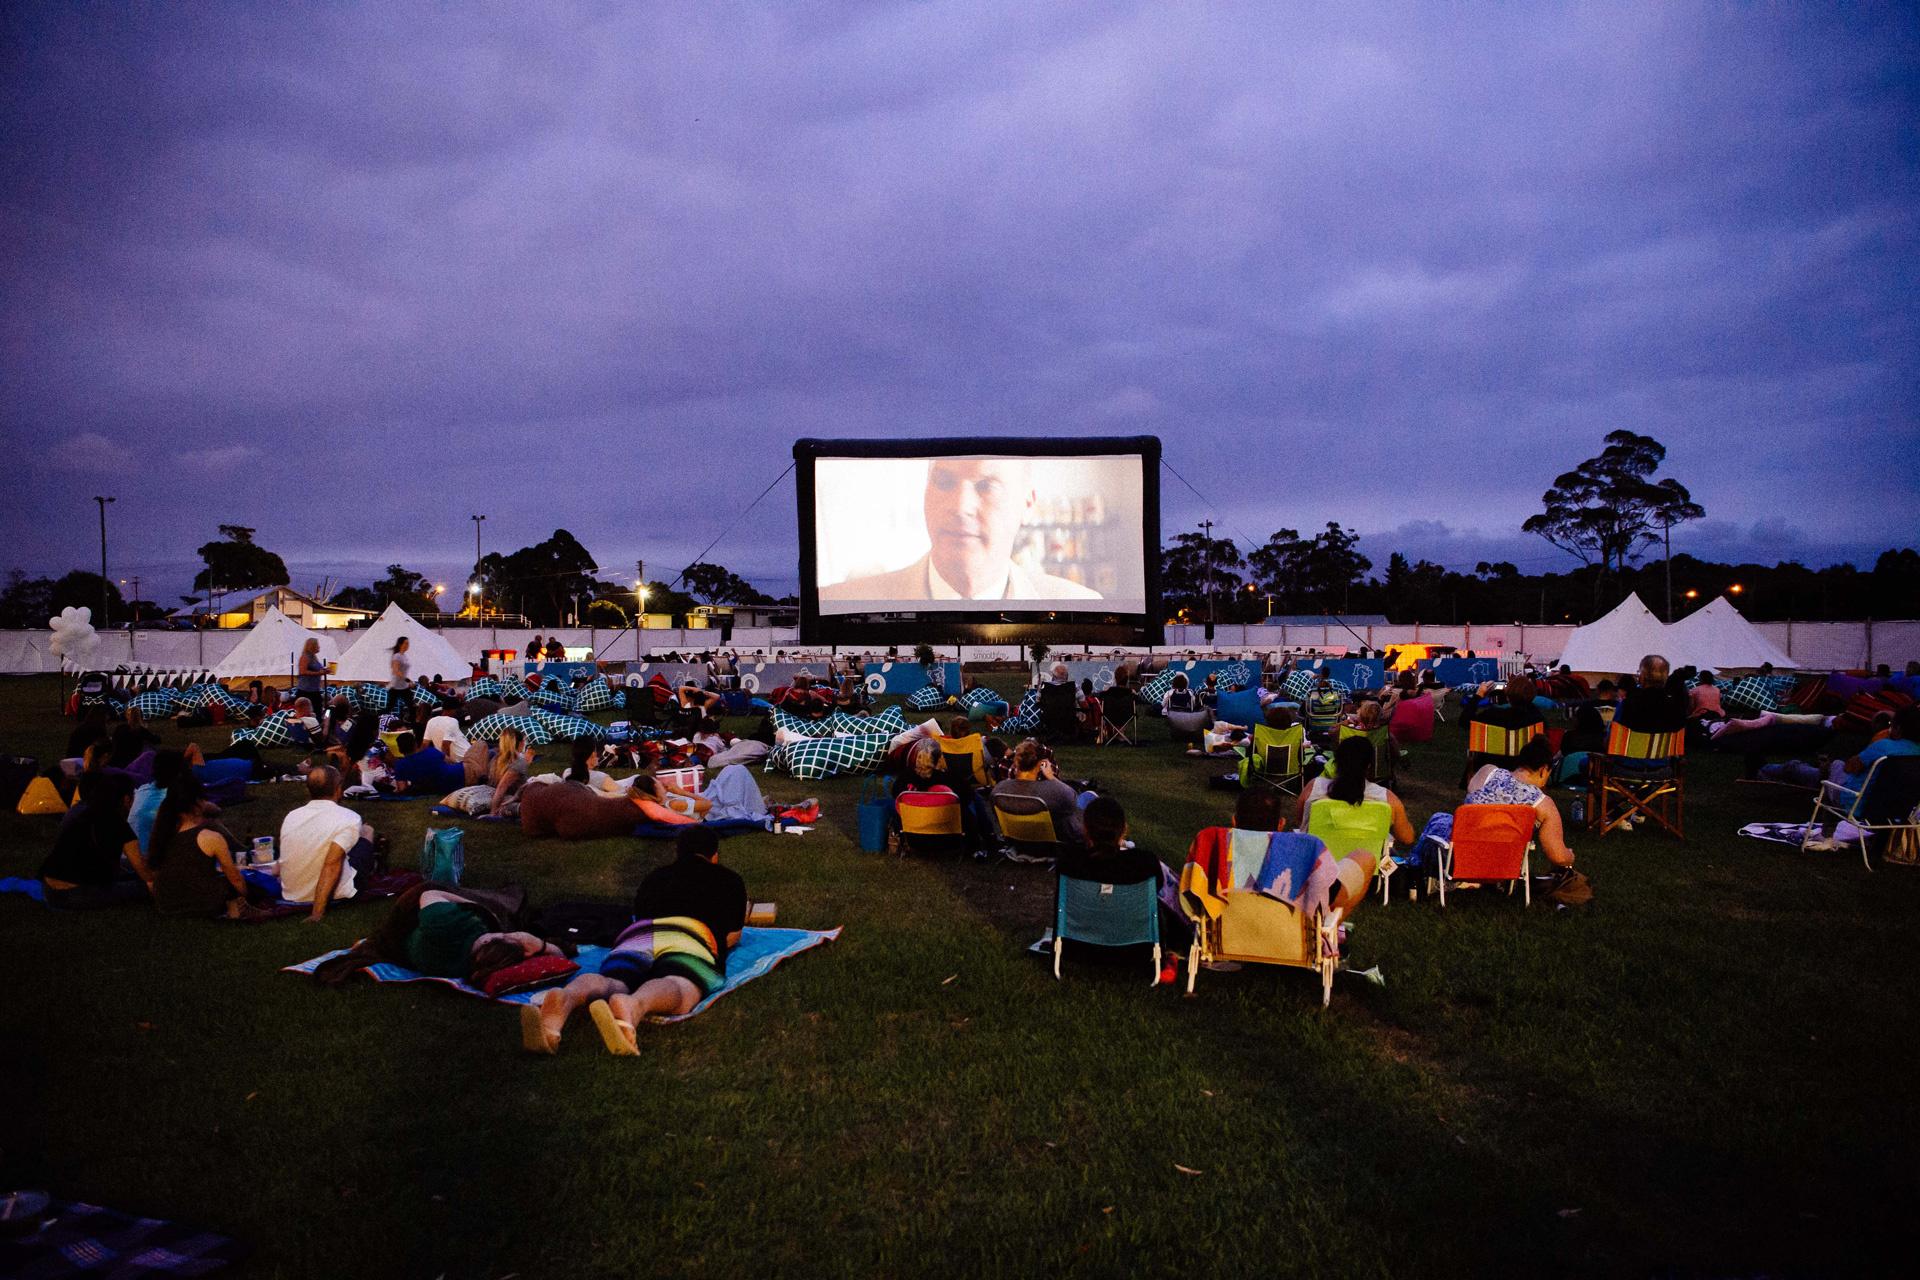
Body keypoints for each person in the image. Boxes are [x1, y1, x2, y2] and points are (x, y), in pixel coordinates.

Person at [522, 826, 747, 1055]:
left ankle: (567, 998)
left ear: (677, 852)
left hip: (639, 933)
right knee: (680, 983)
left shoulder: (656, 877)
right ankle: (636, 1004)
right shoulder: (730, 880)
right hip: (691, 934)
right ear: (715, 856)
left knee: (614, 980)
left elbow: (639, 915)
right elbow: (732, 937)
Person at [818, 457, 1101, 602]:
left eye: (986, 486)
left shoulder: (1082, 604)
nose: (961, 506)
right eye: (943, 481)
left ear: (1027, 504)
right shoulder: (838, 601)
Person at [147, 774, 266, 920]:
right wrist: (247, 895)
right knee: (256, 889)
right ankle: (237, 907)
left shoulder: (161, 835)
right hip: (204, 903)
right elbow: (235, 879)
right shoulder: (209, 837)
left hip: (166, 905)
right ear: (197, 804)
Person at [38, 773, 154, 908]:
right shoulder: (117, 824)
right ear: (126, 799)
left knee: (127, 867)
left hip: (49, 889)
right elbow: (145, 874)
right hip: (74, 893)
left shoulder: (84, 815)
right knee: (141, 887)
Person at [278, 765, 377, 921]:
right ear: (338, 789)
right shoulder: (349, 817)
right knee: (367, 832)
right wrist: (317, 912)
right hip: (337, 892)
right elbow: (331, 864)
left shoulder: (291, 816)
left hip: (292, 893)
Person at [1294, 734, 1417, 847]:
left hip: (1316, 866)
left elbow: (1301, 821)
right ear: (1369, 766)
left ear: (1336, 762)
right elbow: (1407, 838)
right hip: (1366, 867)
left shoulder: (1313, 787)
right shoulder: (1387, 798)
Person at [992, 739, 1088, 845]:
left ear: (1015, 763)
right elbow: (1072, 802)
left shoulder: (999, 791)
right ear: (1040, 765)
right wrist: (1051, 777)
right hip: (1052, 845)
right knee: (1088, 797)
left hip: (1019, 843)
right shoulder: (1054, 793)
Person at [1056, 795, 1158, 884]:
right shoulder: (1146, 863)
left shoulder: (1069, 863)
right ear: (1124, 829)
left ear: (1085, 829)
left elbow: (1061, 902)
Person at [440, 726, 534, 817]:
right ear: (521, 743)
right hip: (509, 797)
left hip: (495, 795)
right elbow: (501, 788)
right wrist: (493, 812)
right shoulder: (519, 762)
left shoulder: (496, 758)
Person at [129, 748, 187, 857]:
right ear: (179, 773)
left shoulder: (143, 790)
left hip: (130, 855)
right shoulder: (168, 800)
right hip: (146, 859)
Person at [386, 731, 467, 795]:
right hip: (462, 773)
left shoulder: (401, 765)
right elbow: (451, 762)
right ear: (415, 744)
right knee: (478, 745)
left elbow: (402, 789)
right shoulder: (430, 751)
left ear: (400, 749)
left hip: (450, 784)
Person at [386, 636, 413, 723]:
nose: (407, 645)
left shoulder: (404, 656)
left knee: (411, 706)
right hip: (396, 687)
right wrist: (407, 680)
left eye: (408, 643)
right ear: (400, 644)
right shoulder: (396, 656)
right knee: (389, 707)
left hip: (403, 687)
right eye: (405, 643)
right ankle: (381, 720)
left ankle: (412, 722)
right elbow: (395, 671)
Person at [295, 636, 329, 706]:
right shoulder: (305, 657)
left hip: (314, 689)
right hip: (306, 691)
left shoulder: (314, 657)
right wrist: (318, 673)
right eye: (317, 645)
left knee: (318, 711)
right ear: (312, 646)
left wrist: (324, 670)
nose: (319, 647)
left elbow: (317, 669)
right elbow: (302, 671)